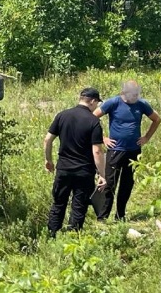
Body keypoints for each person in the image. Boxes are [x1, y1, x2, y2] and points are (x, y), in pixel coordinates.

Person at [94, 80, 161, 221]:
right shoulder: (113, 103)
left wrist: (147, 137)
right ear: (123, 93)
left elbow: (156, 119)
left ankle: (120, 215)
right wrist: (103, 138)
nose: (135, 97)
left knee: (127, 183)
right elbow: (92, 118)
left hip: (133, 151)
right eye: (133, 95)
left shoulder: (142, 104)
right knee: (110, 183)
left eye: (137, 94)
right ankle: (103, 217)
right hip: (115, 150)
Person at [44, 88, 107, 237]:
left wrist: (48, 160)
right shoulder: (94, 121)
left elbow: (47, 139)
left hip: (63, 169)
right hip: (84, 172)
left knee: (58, 203)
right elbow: (97, 151)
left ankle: (52, 235)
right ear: (92, 101)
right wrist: (102, 174)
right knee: (79, 206)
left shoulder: (62, 116)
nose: (97, 106)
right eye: (97, 102)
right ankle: (73, 237)